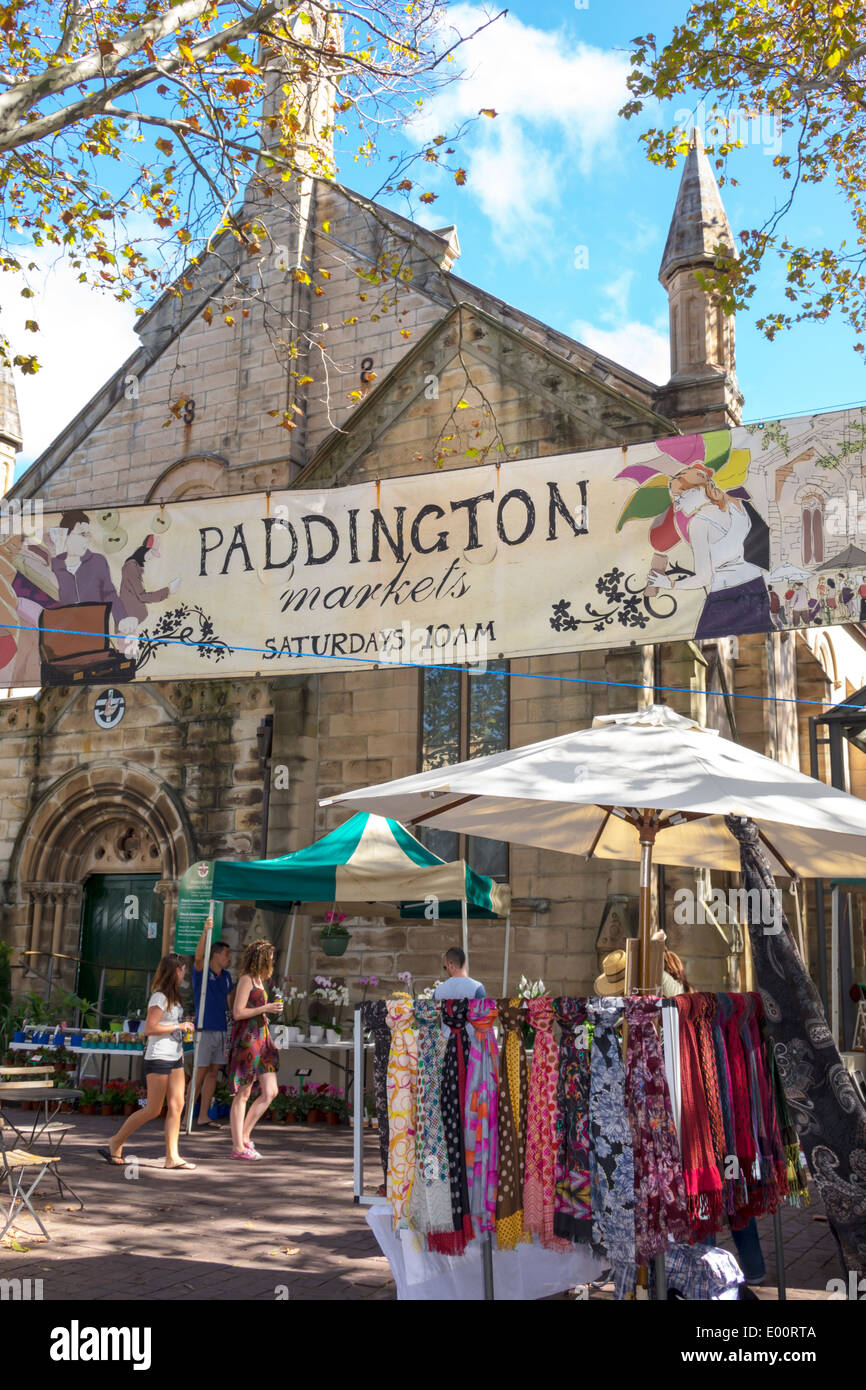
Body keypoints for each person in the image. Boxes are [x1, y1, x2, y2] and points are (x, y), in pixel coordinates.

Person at [98, 953, 196, 1170]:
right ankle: (116, 1141)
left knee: (177, 1105)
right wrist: (178, 1027)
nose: (184, 973)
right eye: (182, 969)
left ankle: (172, 1156)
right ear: (175, 971)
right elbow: (150, 1029)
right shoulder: (159, 997)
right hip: (158, 1056)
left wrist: (180, 1045)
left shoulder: (175, 998)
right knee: (153, 1109)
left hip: (175, 1056)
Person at [228, 939, 281, 1160]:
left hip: (262, 1039)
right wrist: (265, 1008)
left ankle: (245, 1136)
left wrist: (266, 1016)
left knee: (271, 1091)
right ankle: (238, 1147)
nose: (272, 963)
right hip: (247, 1040)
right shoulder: (246, 980)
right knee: (244, 1093)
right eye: (269, 959)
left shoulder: (259, 981)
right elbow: (237, 1012)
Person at [191, 918, 235, 1129]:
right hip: (204, 1029)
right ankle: (183, 1118)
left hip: (221, 1030)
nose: (229, 959)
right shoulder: (202, 971)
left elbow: (230, 1003)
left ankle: (203, 1116)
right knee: (199, 1073)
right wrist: (205, 931)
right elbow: (198, 956)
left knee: (212, 1072)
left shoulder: (227, 977)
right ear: (216, 955)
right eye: (227, 954)